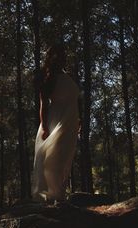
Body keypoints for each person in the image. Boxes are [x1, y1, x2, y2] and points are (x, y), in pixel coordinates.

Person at [32, 44, 80, 203]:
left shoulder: (66, 76)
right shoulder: (49, 78)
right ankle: (50, 197)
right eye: (58, 55)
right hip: (55, 121)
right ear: (51, 58)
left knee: (64, 157)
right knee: (52, 159)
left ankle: (59, 195)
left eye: (63, 55)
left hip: (69, 123)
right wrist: (45, 126)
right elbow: (43, 104)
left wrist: (77, 121)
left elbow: (73, 101)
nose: (62, 58)